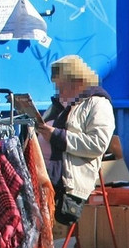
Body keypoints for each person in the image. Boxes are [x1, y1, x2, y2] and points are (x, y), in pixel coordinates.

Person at [36, 55, 115, 227]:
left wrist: (56, 136)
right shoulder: (58, 105)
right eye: (57, 87)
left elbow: (98, 144)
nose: (59, 92)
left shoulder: (97, 104)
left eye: (62, 87)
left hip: (66, 178)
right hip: (41, 170)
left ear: (78, 81)